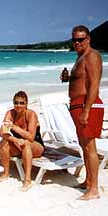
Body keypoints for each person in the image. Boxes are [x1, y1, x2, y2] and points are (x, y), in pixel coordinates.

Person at [60, 25, 104, 200]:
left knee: (89, 147)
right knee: (83, 146)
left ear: (88, 39)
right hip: (78, 105)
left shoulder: (92, 56)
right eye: (74, 39)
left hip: (88, 105)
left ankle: (94, 190)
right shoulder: (80, 57)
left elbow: (94, 85)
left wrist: (86, 110)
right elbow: (82, 80)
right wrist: (69, 79)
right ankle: (88, 181)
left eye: (80, 39)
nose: (77, 42)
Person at [0, 91, 45, 191]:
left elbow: (31, 137)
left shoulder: (31, 114)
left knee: (26, 143)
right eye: (16, 103)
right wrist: (14, 139)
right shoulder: (10, 113)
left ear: (26, 103)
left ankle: (27, 180)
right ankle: (6, 173)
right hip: (19, 145)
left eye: (21, 103)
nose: (18, 105)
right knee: (4, 142)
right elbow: (2, 132)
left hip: (36, 146)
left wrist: (13, 126)